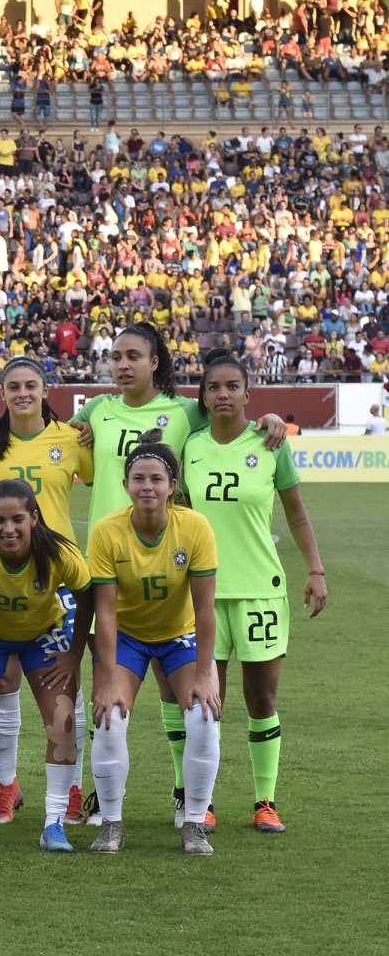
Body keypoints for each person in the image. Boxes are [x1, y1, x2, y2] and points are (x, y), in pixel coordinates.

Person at [65, 323, 284, 824]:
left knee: (177, 693)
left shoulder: (186, 412)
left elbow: (228, 420)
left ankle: (192, 799)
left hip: (166, 570)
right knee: (104, 694)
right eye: (115, 356)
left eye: (133, 356)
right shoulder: (96, 409)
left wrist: (268, 419)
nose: (122, 365)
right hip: (108, 564)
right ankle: (99, 797)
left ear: (155, 361)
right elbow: (49, 430)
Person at [182, 353, 326, 834]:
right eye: (213, 387)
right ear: (203, 397)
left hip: (261, 592)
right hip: (203, 594)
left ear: (248, 393)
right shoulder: (190, 447)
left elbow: (298, 514)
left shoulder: (270, 443)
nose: (223, 394)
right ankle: (201, 802)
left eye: (232, 386)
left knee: (262, 699)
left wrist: (316, 569)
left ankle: (265, 800)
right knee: (205, 703)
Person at [0, 356, 93, 825]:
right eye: (13, 385)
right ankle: (6, 787)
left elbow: (110, 475)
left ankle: (72, 790)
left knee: (65, 689)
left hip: (59, 576)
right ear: (1, 393)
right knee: (0, 683)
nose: (22, 393)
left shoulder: (73, 439)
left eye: (30, 385)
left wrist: (91, 426)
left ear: (45, 388)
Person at [86, 434, 221, 856]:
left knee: (202, 716)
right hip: (127, 636)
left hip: (180, 636)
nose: (147, 486)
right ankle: (110, 823)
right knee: (109, 717)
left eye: (157, 479)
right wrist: (106, 678)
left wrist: (204, 673)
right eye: (138, 478)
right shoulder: (107, 531)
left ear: (173, 485)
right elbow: (104, 613)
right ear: (126, 484)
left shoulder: (195, 527)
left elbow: (204, 610)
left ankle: (195, 823)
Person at [0, 480, 94, 852]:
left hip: (43, 634)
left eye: (18, 519)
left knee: (63, 721)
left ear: (34, 517)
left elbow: (88, 595)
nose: (8, 529)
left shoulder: (59, 552)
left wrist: (74, 653)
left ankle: (53, 824)